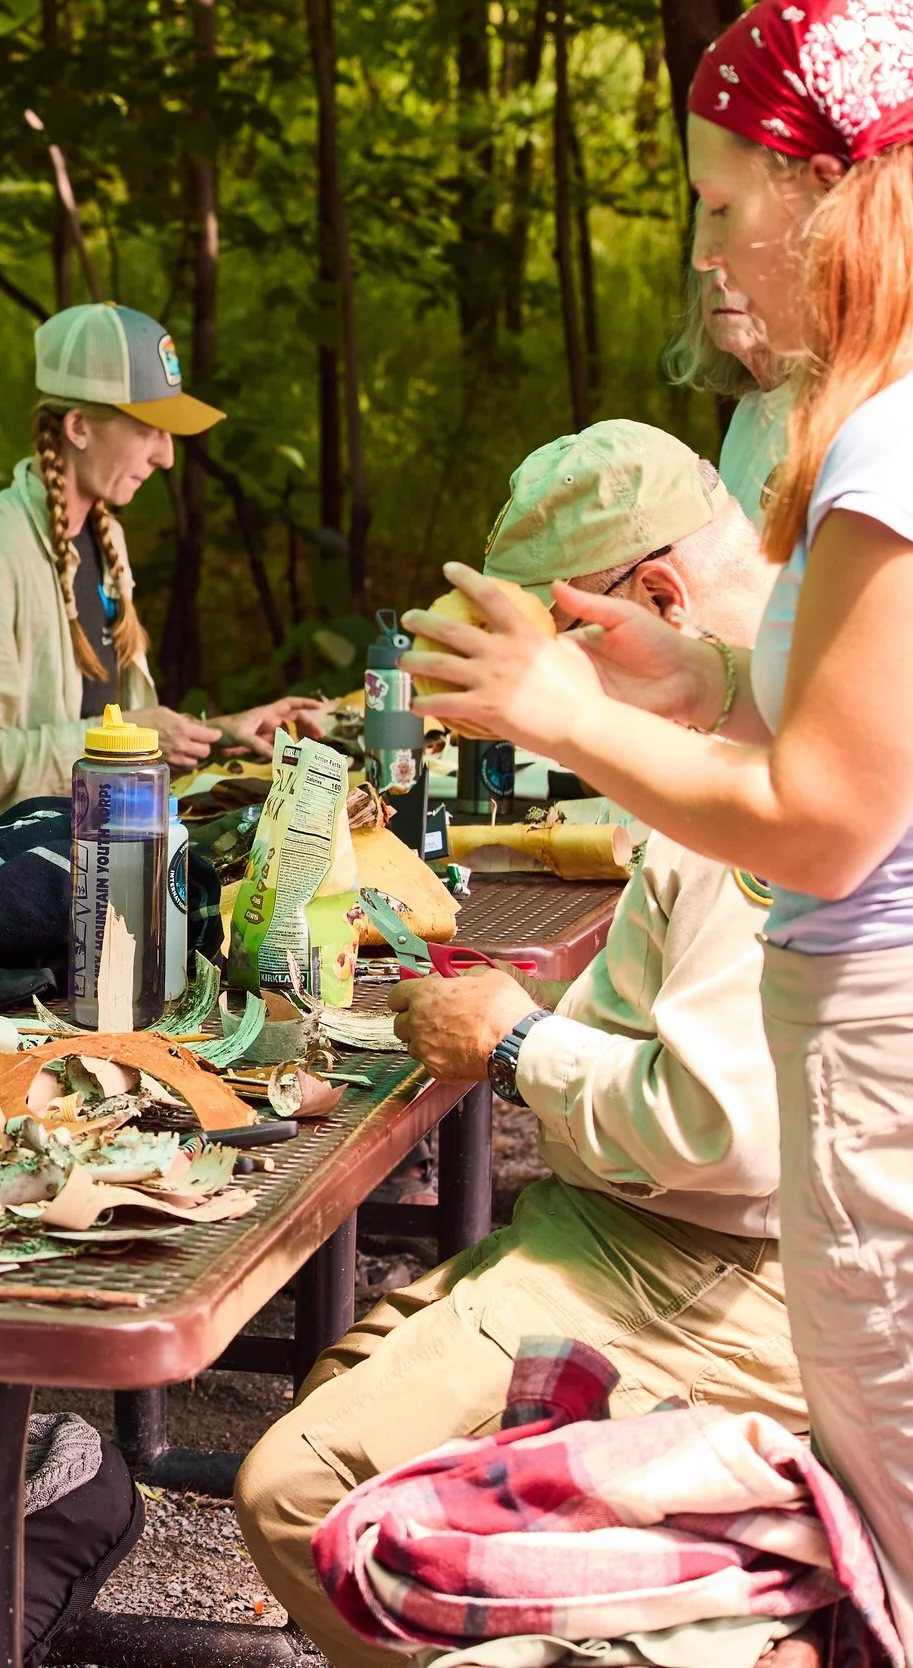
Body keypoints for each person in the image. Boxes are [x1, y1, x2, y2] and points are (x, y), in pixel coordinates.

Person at [403, 0, 913, 1623]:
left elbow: (827, 821)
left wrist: (564, 712)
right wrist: (705, 677)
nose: (704, 248)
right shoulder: (870, 422)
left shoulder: (887, 445)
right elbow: (864, 735)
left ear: (824, 190)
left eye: (717, 199)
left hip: (875, 1085)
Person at [233, 423, 796, 1668]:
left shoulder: (741, 785)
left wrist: (514, 1043)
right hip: (659, 1233)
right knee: (345, 1377)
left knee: (304, 1497)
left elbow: (724, 1135)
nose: (524, 728)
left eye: (539, 673)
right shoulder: (779, 706)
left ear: (655, 602)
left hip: (705, 1263)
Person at [0, 302, 326, 860]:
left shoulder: (106, 539)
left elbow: (113, 730)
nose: (167, 456)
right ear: (78, 427)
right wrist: (134, 741)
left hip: (82, 873)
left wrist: (219, 732)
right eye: (148, 430)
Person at [663, 261, 794, 525]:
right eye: (708, 260)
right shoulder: (747, 413)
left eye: (740, 257)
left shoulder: (844, 410)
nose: (719, 279)